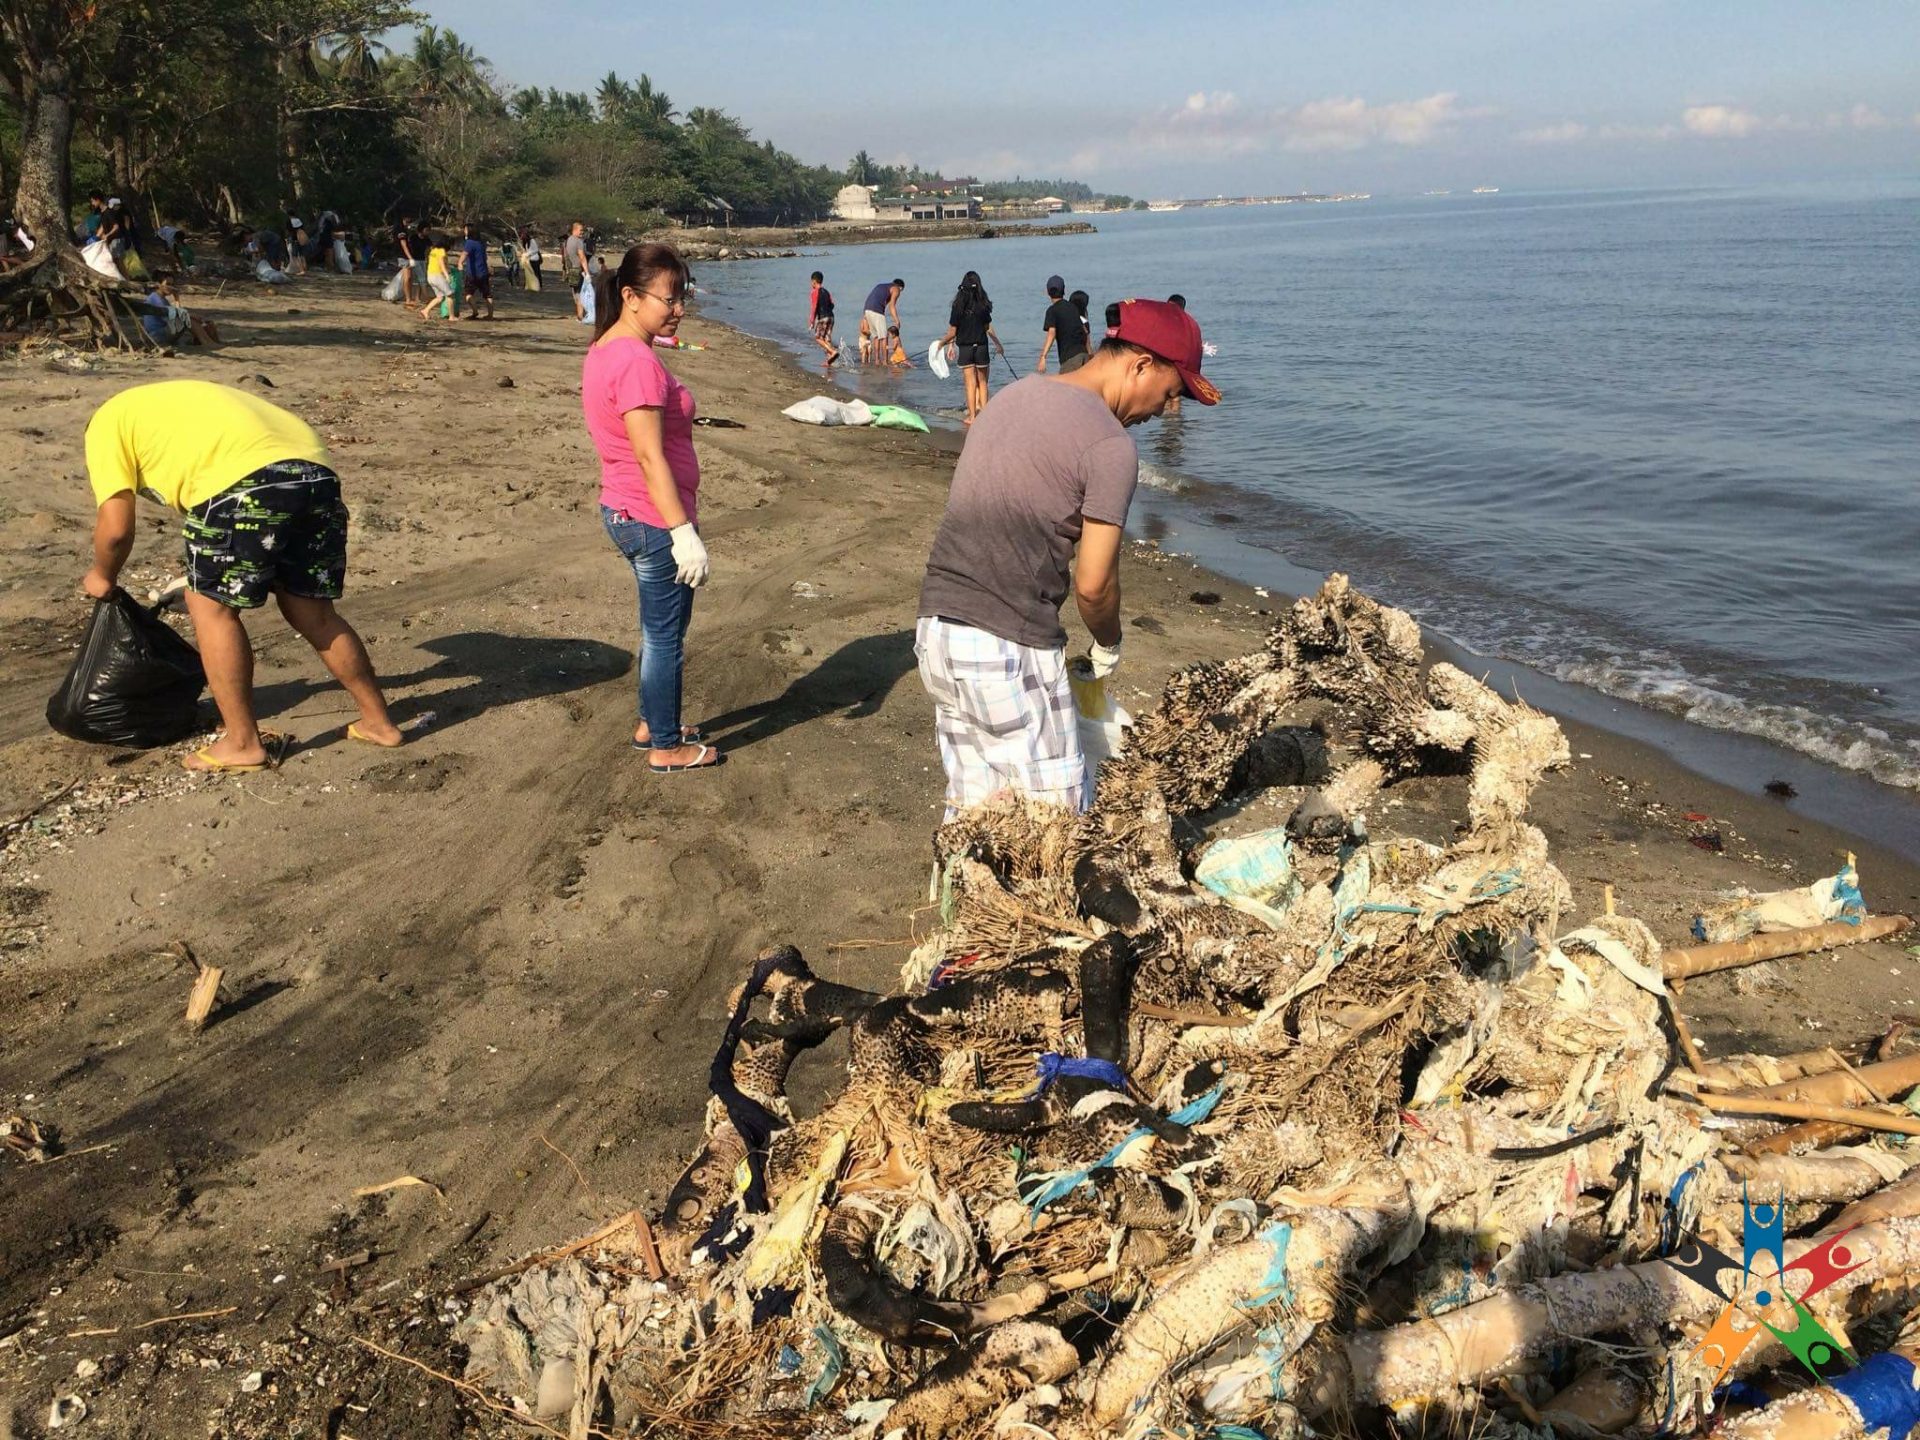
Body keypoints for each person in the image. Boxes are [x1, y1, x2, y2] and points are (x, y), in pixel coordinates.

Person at [915, 299, 1219, 817]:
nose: (1165, 411)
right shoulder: (1109, 444)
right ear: (1141, 365)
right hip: (1006, 647)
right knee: (1055, 829)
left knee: (975, 817)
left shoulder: (1015, 396)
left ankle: (963, 898)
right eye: (1170, 394)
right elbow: (1093, 586)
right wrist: (1109, 641)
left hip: (937, 634)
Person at [80, 381, 403, 771]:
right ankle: (379, 723)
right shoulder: (169, 404)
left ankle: (242, 743)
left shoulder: (104, 426)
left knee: (211, 608)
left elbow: (115, 529)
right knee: (312, 611)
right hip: (315, 472)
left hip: (245, 481)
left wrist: (102, 575)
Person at [581, 243, 720, 773]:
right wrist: (682, 531)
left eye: (683, 295)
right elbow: (647, 453)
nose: (680, 307)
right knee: (665, 636)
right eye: (671, 297)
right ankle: (665, 744)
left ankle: (652, 720)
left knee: (662, 630)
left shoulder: (609, 348)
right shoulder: (635, 360)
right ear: (632, 297)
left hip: (628, 509)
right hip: (651, 517)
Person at [936, 270, 1005, 425]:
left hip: (966, 348)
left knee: (970, 384)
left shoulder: (957, 306)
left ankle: (973, 417)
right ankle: (985, 417)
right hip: (981, 346)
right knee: (983, 383)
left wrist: (942, 343)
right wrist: (998, 344)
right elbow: (988, 328)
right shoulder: (983, 305)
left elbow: (952, 332)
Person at [138, 279, 221, 348]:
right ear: (159, 284)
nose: (171, 287)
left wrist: (177, 299)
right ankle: (207, 342)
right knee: (188, 318)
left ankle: (209, 340)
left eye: (173, 284)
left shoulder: (162, 299)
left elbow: (177, 313)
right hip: (156, 336)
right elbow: (173, 317)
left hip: (163, 333)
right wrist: (190, 316)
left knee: (192, 319)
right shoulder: (156, 299)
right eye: (168, 284)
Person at [1036, 274, 1089, 373]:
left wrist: (1043, 357)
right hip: (1083, 354)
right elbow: (1084, 331)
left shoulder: (1052, 311)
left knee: (1067, 387)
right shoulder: (1073, 307)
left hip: (1070, 359)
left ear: (1047, 292)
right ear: (1064, 290)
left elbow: (1051, 333)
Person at [861, 278, 903, 364]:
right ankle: (885, 361)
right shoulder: (896, 289)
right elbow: (892, 306)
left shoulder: (881, 286)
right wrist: (897, 320)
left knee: (876, 336)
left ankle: (877, 360)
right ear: (900, 287)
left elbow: (883, 301)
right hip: (877, 310)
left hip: (867, 309)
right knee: (884, 337)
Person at [460, 222, 494, 320]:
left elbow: (464, 254)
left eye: (465, 229)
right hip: (483, 272)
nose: (464, 231)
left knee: (468, 294)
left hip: (473, 273)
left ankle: (475, 312)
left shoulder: (469, 243)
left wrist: (459, 263)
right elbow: (484, 258)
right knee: (487, 294)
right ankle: (490, 315)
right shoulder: (481, 243)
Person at [418, 235, 456, 321]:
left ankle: (425, 311)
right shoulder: (441, 251)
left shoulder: (433, 250)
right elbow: (441, 263)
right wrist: (447, 275)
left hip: (430, 276)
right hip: (437, 276)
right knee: (450, 295)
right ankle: (451, 316)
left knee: (439, 297)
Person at [807, 271, 838, 363]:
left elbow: (814, 306)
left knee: (818, 338)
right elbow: (832, 304)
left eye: (811, 282)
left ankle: (833, 351)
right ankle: (829, 360)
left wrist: (812, 321)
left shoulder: (814, 292)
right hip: (831, 317)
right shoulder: (827, 292)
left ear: (814, 281)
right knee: (827, 338)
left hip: (823, 317)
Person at [564, 222, 590, 319]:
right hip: (578, 270)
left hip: (571, 270)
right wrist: (587, 273)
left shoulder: (568, 240)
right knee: (581, 292)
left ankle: (579, 314)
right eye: (581, 230)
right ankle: (580, 315)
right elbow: (582, 257)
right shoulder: (579, 241)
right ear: (574, 229)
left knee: (575, 292)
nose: (582, 232)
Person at [393, 216, 420, 305]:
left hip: (406, 255)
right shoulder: (401, 231)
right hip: (404, 256)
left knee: (409, 278)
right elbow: (403, 245)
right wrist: (410, 257)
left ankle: (408, 297)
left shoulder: (404, 230)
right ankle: (408, 298)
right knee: (407, 278)